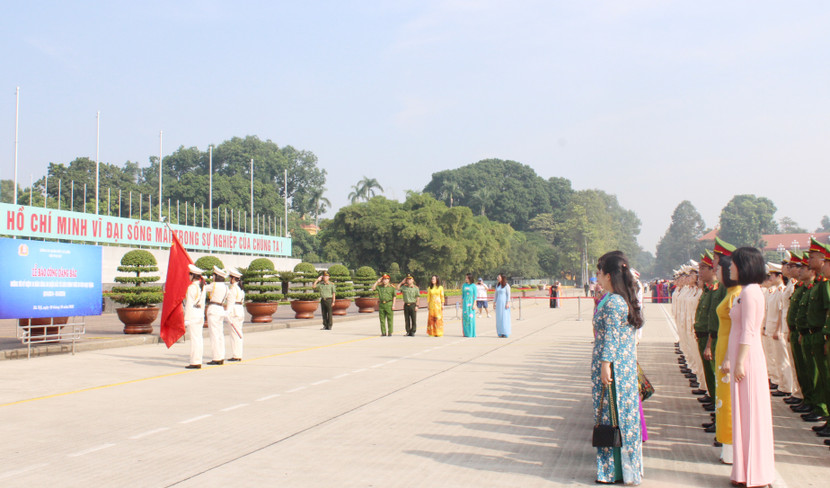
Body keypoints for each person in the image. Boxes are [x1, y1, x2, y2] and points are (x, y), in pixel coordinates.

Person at [723, 246, 775, 487]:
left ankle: (756, 472)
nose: (730, 268)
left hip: (749, 358)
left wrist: (740, 361)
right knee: (742, 413)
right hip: (740, 356)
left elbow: (749, 330)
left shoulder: (753, 292)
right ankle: (743, 470)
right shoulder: (745, 291)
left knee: (751, 413)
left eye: (733, 264)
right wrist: (728, 358)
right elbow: (735, 329)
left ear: (744, 266)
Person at [592, 251, 643, 485]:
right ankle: (627, 469)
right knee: (623, 417)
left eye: (600, 273)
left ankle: (611, 470)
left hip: (612, 368)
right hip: (623, 367)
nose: (598, 278)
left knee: (610, 416)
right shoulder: (622, 298)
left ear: (610, 275)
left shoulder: (613, 302)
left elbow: (611, 338)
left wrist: (604, 365)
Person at [714, 254, 741, 464]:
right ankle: (725, 444)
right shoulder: (729, 292)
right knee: (723, 400)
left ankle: (731, 446)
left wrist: (729, 357)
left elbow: (738, 329)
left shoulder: (737, 294)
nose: (717, 272)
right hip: (722, 347)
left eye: (720, 269)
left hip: (729, 351)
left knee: (730, 401)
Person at [204, 266, 229, 365]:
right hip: (221, 309)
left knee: (214, 334)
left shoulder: (214, 285)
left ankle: (216, 357)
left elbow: (202, 288)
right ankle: (221, 356)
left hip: (214, 309)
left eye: (213, 275)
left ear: (216, 276)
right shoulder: (226, 287)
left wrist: (201, 281)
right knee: (219, 334)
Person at [183, 264, 206, 369]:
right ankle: (198, 360)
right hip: (199, 313)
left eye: (189, 274)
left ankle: (195, 362)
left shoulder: (192, 287)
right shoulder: (202, 287)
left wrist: (186, 318)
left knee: (194, 339)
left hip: (193, 313)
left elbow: (189, 304)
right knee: (199, 338)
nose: (188, 276)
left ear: (193, 275)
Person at [226, 267, 245, 362]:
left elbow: (230, 303)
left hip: (234, 312)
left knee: (234, 335)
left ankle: (236, 355)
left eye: (230, 278)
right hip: (240, 310)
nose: (229, 280)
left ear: (233, 279)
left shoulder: (233, 289)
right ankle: (238, 354)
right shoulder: (240, 289)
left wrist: (227, 314)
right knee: (238, 333)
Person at [494, 273, 511, 338]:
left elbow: (508, 295)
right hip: (499, 303)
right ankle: (500, 332)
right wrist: (494, 302)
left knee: (504, 317)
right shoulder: (498, 285)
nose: (497, 278)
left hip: (504, 303)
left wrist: (508, 303)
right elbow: (496, 295)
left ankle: (505, 331)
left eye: (499, 277)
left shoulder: (506, 285)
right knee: (499, 318)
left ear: (502, 278)